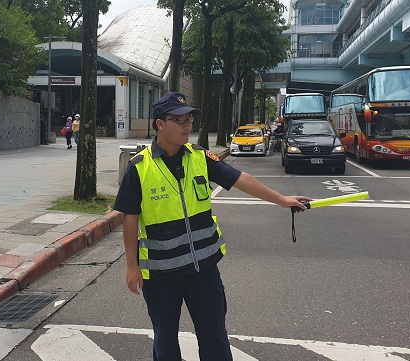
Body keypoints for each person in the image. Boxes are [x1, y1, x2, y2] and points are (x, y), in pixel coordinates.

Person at [113, 92, 310, 361]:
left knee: (215, 339)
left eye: (189, 119)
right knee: (165, 342)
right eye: (179, 120)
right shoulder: (139, 168)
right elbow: (130, 217)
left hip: (203, 271)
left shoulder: (200, 157)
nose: (187, 126)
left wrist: (281, 200)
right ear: (160, 123)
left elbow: (241, 178)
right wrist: (131, 266)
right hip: (161, 275)